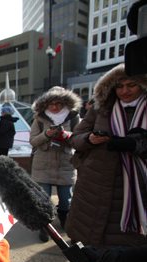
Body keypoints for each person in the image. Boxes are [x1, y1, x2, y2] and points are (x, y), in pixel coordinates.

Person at [66, 63, 147, 247]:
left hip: (137, 184)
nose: (125, 91)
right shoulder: (100, 108)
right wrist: (90, 139)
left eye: (131, 85)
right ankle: (97, 261)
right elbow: (76, 137)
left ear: (142, 84)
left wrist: (137, 143)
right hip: (95, 180)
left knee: (127, 239)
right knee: (91, 228)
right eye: (119, 86)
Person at [29, 86, 82, 242]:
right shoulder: (39, 118)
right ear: (45, 104)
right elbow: (33, 141)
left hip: (65, 164)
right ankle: (45, 227)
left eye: (58, 103)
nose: (54, 107)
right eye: (51, 103)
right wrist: (47, 134)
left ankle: (65, 219)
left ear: (65, 103)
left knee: (66, 200)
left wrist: (65, 135)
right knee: (42, 200)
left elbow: (79, 140)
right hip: (42, 164)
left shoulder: (73, 117)